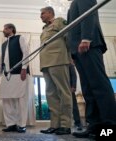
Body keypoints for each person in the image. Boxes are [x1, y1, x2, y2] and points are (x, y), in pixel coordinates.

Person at [67, 0, 116, 138]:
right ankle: (94, 126)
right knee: (87, 88)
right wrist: (72, 51)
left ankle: (109, 127)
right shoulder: (73, 3)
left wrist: (86, 38)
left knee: (99, 85)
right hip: (77, 48)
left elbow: (88, 14)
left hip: (88, 44)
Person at [39, 7, 72, 135]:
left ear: (50, 13)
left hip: (58, 59)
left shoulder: (59, 22)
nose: (40, 16)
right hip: (46, 63)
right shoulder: (44, 29)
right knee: (51, 94)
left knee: (63, 92)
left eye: (43, 13)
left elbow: (68, 38)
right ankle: (55, 125)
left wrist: (70, 56)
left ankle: (66, 125)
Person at [0, 23, 31, 133]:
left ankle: (21, 125)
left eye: (5, 28)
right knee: (6, 100)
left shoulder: (20, 38)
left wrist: (24, 67)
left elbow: (26, 53)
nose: (3, 30)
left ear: (11, 29)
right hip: (6, 76)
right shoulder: (3, 44)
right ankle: (11, 124)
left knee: (21, 99)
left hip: (19, 73)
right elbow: (1, 61)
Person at [69, 61, 83, 131]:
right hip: (61, 88)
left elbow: (74, 75)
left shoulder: (70, 63)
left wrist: (73, 86)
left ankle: (78, 123)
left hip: (69, 88)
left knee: (74, 106)